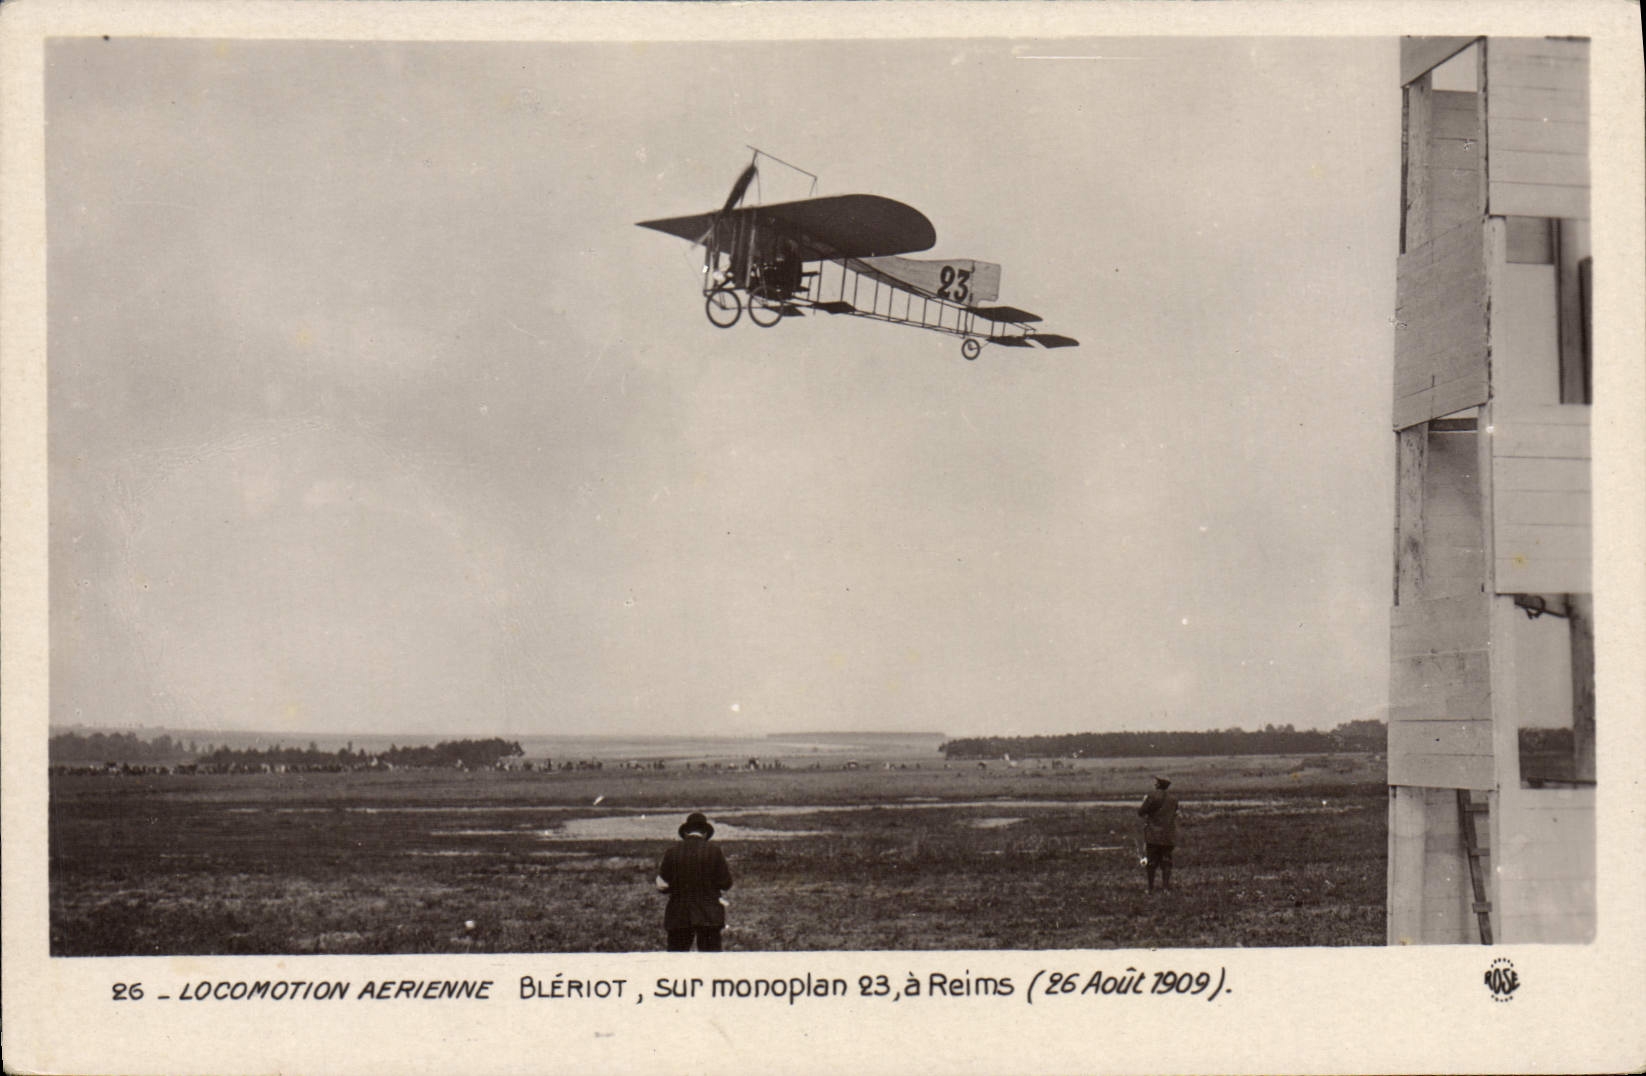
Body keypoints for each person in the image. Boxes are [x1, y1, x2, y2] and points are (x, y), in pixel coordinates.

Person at [656, 812, 733, 951]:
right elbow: (726, 883)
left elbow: (662, 884)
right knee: (711, 963)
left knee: (676, 961)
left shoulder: (671, 852)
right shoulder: (715, 852)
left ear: (685, 832)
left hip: (679, 914)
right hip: (709, 915)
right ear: (704, 833)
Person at [1137, 776, 1179, 891]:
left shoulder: (1152, 796)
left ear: (1158, 785)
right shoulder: (1174, 799)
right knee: (1166, 862)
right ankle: (1165, 888)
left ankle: (1150, 888)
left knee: (1151, 862)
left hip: (1153, 834)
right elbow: (1175, 812)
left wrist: (1144, 801)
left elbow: (1141, 812)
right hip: (1168, 835)